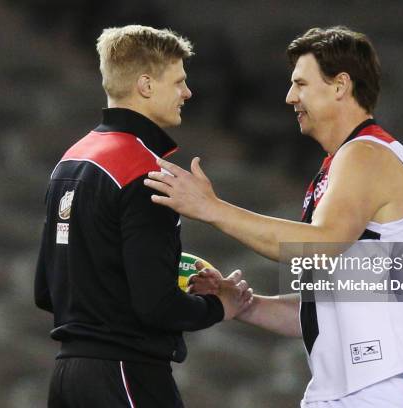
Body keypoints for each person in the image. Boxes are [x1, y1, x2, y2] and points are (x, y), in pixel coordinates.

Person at [145, 26, 403, 407]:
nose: (290, 97)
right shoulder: (342, 165)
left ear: (340, 86)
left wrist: (212, 208)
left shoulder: (367, 154)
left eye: (300, 84)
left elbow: (321, 245)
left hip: (384, 385)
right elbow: (325, 303)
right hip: (345, 388)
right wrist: (243, 304)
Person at [34, 25, 252, 408]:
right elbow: (155, 306)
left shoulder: (69, 162)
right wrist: (222, 305)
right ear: (147, 85)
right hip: (126, 376)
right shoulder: (146, 173)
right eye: (179, 82)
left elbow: (46, 290)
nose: (188, 93)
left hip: (67, 380)